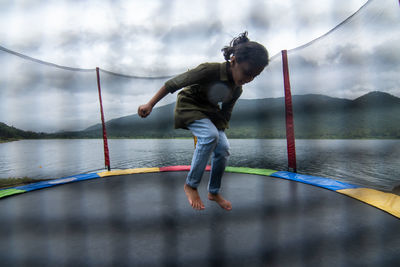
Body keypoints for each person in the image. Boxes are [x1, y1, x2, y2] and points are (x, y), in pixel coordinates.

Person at [138, 32, 269, 211]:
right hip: (189, 106)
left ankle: (213, 192)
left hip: (210, 113)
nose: (248, 79)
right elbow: (173, 84)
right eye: (247, 73)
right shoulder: (210, 70)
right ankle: (190, 185)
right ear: (233, 61)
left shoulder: (237, 90)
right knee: (209, 136)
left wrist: (219, 136)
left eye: (255, 76)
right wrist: (150, 104)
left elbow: (226, 113)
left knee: (223, 148)